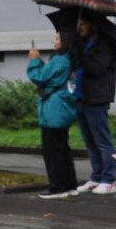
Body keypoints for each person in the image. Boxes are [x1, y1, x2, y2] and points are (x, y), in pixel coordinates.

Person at [66, 17, 116, 195]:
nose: (79, 27)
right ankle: (96, 177)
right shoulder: (82, 43)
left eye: (83, 23)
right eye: (78, 23)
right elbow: (75, 64)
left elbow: (97, 69)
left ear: (92, 25)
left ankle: (109, 179)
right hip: (81, 96)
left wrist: (81, 53)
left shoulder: (104, 45)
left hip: (97, 98)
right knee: (90, 142)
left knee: (102, 141)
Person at [27, 34, 79, 199]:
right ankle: (69, 184)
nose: (54, 42)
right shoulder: (68, 59)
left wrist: (34, 61)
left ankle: (57, 186)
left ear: (66, 42)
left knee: (52, 150)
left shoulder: (60, 60)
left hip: (54, 110)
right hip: (61, 108)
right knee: (62, 148)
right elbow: (51, 76)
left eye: (57, 39)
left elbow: (40, 77)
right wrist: (41, 62)